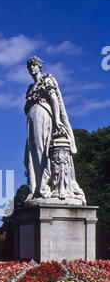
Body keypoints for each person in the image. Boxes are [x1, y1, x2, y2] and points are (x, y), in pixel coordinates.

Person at [24, 56, 85, 203]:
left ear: (40, 67)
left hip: (43, 116)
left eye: (34, 65)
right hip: (32, 122)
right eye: (30, 66)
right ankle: (36, 187)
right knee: (30, 157)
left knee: (42, 151)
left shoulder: (46, 80)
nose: (32, 68)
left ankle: (44, 186)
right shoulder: (31, 88)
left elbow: (54, 100)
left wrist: (57, 119)